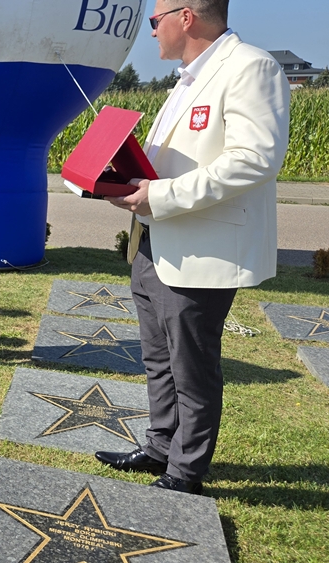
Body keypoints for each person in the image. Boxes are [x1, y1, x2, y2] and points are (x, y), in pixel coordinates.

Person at [95, 0, 290, 494]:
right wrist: (122, 176)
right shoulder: (185, 80)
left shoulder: (250, 66)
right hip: (153, 240)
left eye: (154, 20)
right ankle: (160, 446)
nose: (151, 32)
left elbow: (255, 159)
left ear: (186, 18)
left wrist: (159, 195)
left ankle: (186, 471)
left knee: (192, 366)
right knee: (159, 359)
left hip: (201, 247)